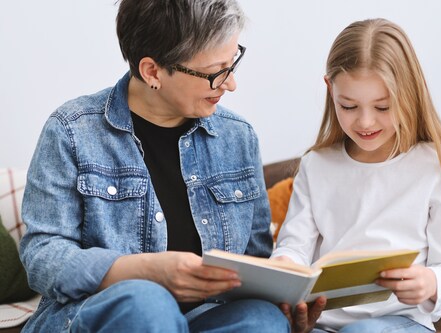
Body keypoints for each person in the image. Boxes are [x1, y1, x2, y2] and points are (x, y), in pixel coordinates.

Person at [19, 0, 290, 332]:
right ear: (152, 71)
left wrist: (289, 299)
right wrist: (144, 270)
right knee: (146, 304)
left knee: (264, 319)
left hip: (204, 318)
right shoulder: (72, 132)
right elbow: (42, 258)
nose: (231, 83)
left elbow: (256, 259)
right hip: (96, 316)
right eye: (215, 73)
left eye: (232, 63)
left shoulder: (238, 137)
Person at [272, 18, 441, 333]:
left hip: (401, 321)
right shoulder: (316, 166)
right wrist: (285, 266)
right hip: (321, 322)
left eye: (383, 107)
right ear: (331, 91)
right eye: (349, 106)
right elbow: (295, 247)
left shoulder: (436, 166)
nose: (365, 121)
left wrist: (429, 282)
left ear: (409, 94)